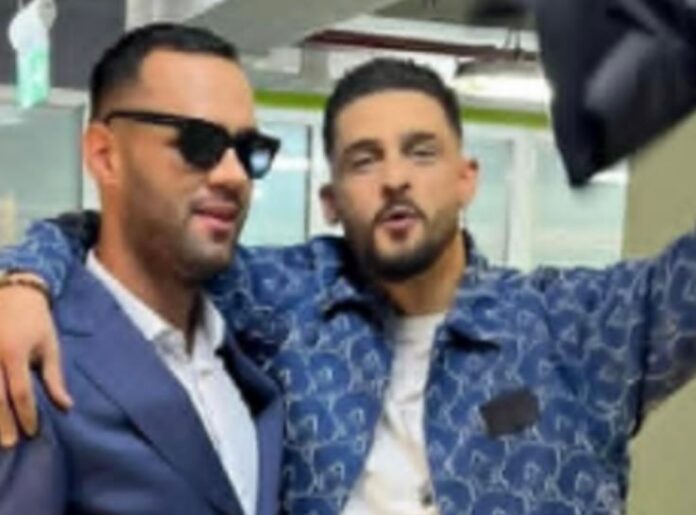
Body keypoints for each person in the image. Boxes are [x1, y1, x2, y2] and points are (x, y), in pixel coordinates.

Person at [2, 56, 696, 515]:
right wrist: (24, 279)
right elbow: (127, 235)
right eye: (365, 160)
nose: (395, 178)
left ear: (466, 178)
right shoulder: (288, 302)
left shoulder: (577, 326)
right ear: (331, 200)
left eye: (421, 152)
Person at [0, 23, 284, 515]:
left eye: (248, 151)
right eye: (198, 143)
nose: (234, 176)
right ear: (105, 155)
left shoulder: (255, 348)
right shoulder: (32, 366)